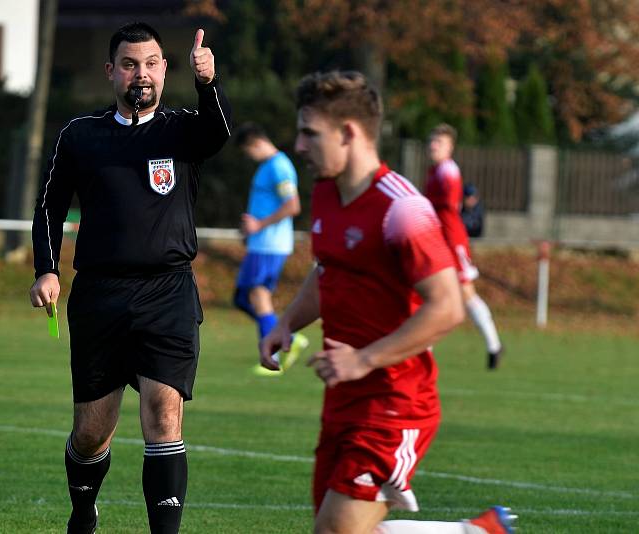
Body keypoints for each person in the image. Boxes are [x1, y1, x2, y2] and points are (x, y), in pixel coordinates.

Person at [259, 71, 515, 534]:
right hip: (343, 399)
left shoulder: (403, 209)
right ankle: (474, 533)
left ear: (349, 133)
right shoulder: (326, 192)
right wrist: (287, 322)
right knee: (346, 529)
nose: (298, 145)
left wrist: (364, 358)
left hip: (396, 402)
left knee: (335, 530)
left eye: (309, 133)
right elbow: (328, 270)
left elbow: (448, 307)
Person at [29, 22, 230, 534]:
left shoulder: (183, 129)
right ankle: (83, 511)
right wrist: (47, 269)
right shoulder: (81, 135)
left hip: (168, 293)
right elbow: (51, 206)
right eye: (129, 64)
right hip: (100, 295)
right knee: (92, 434)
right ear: (111, 72)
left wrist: (209, 82)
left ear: (165, 69)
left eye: (150, 64)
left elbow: (218, 132)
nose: (140, 74)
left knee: (163, 416)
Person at [232, 122, 309, 376]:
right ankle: (288, 336)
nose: (248, 157)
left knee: (257, 294)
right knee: (242, 298)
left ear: (255, 144)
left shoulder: (279, 166)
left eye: (246, 152)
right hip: (260, 244)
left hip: (270, 245)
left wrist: (259, 225)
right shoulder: (268, 167)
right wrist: (250, 231)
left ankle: (275, 353)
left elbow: (293, 205)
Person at [425, 124, 503, 369]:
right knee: (431, 292)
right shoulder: (435, 170)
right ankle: (422, 349)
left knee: (466, 293)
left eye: (439, 142)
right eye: (432, 141)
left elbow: (449, 203)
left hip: (452, 239)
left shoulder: (448, 170)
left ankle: (494, 345)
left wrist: (422, 204)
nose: (433, 146)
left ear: (450, 147)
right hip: (438, 239)